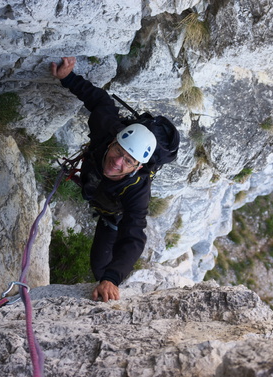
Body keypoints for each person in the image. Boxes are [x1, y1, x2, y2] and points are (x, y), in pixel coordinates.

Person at [51, 57, 157, 302]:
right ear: (113, 141)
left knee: (100, 269)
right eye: (118, 151)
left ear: (138, 166)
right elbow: (99, 101)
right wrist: (67, 77)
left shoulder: (136, 189)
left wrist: (112, 277)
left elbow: (133, 235)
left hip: (113, 216)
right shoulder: (106, 130)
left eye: (128, 161)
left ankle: (108, 280)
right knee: (99, 267)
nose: (118, 162)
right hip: (98, 195)